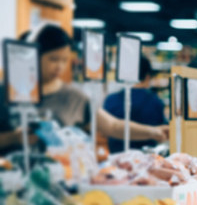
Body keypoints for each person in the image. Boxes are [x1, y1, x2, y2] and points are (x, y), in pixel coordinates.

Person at [0, 23, 167, 157]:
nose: (59, 66)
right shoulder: (4, 93)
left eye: (64, 60)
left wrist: (153, 131)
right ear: (33, 55)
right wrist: (12, 138)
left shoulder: (74, 98)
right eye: (53, 59)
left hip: (60, 188)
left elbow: (113, 126)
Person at [103, 55, 166, 153]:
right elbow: (161, 133)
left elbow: (106, 131)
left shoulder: (110, 100)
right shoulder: (155, 101)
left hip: (116, 159)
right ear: (147, 76)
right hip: (148, 161)